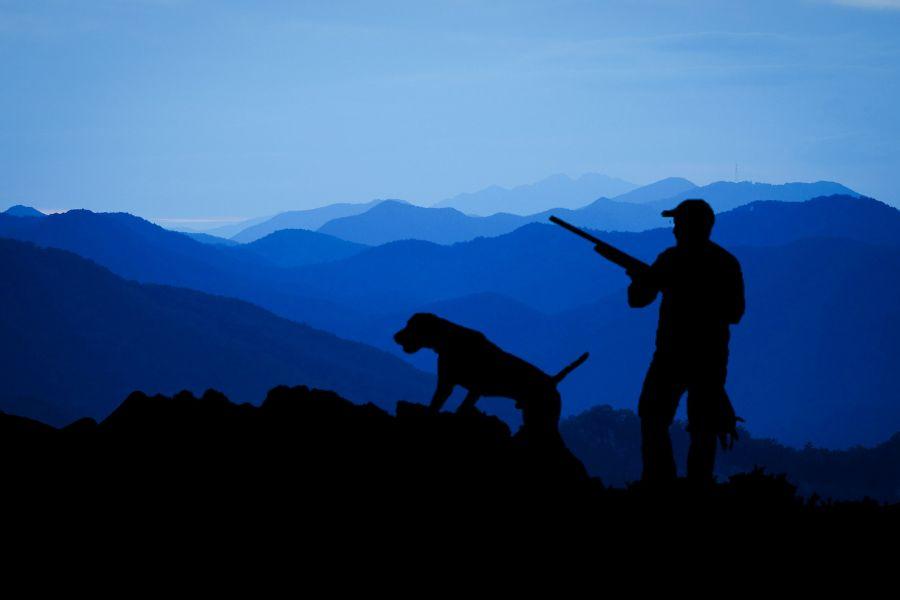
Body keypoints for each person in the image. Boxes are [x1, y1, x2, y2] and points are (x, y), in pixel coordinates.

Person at [624, 199, 745, 485]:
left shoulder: (671, 259)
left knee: (656, 418)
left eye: (678, 223)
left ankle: (659, 483)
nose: (674, 229)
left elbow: (637, 300)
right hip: (709, 358)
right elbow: (736, 313)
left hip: (673, 357)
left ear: (692, 226)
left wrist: (642, 281)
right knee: (700, 428)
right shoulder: (725, 262)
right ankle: (694, 487)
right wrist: (642, 279)